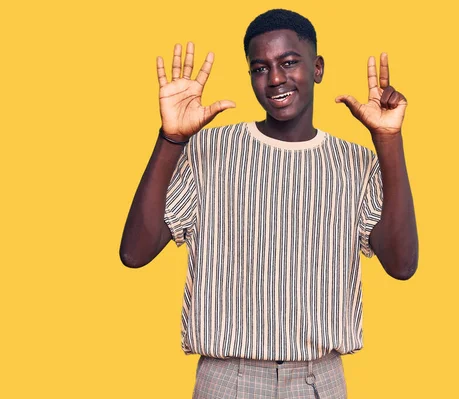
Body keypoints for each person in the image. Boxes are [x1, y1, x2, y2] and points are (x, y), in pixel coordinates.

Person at [120, 8, 418, 399]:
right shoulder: (210, 150)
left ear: (318, 68)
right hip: (227, 380)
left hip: (318, 381)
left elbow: (402, 265)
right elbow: (134, 253)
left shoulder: (355, 163)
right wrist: (171, 138)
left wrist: (388, 142)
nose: (275, 78)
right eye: (259, 68)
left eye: (289, 62)